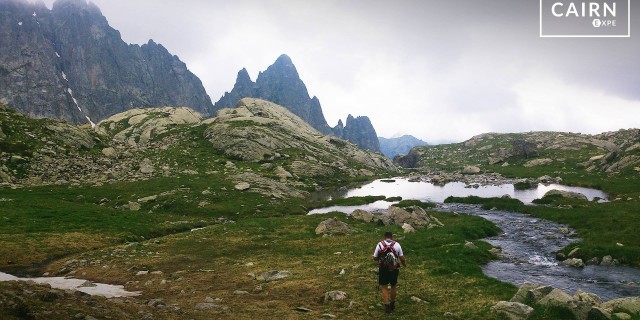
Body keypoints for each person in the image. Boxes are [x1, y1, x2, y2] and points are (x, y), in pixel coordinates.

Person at [372, 231, 407, 313]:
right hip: (394, 268)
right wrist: (404, 264)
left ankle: (387, 306)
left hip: (383, 268)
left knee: (384, 286)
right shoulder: (397, 244)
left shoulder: (380, 244)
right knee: (393, 285)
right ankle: (392, 303)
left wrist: (377, 259)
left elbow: (374, 257)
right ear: (392, 237)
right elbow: (402, 258)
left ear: (385, 237)